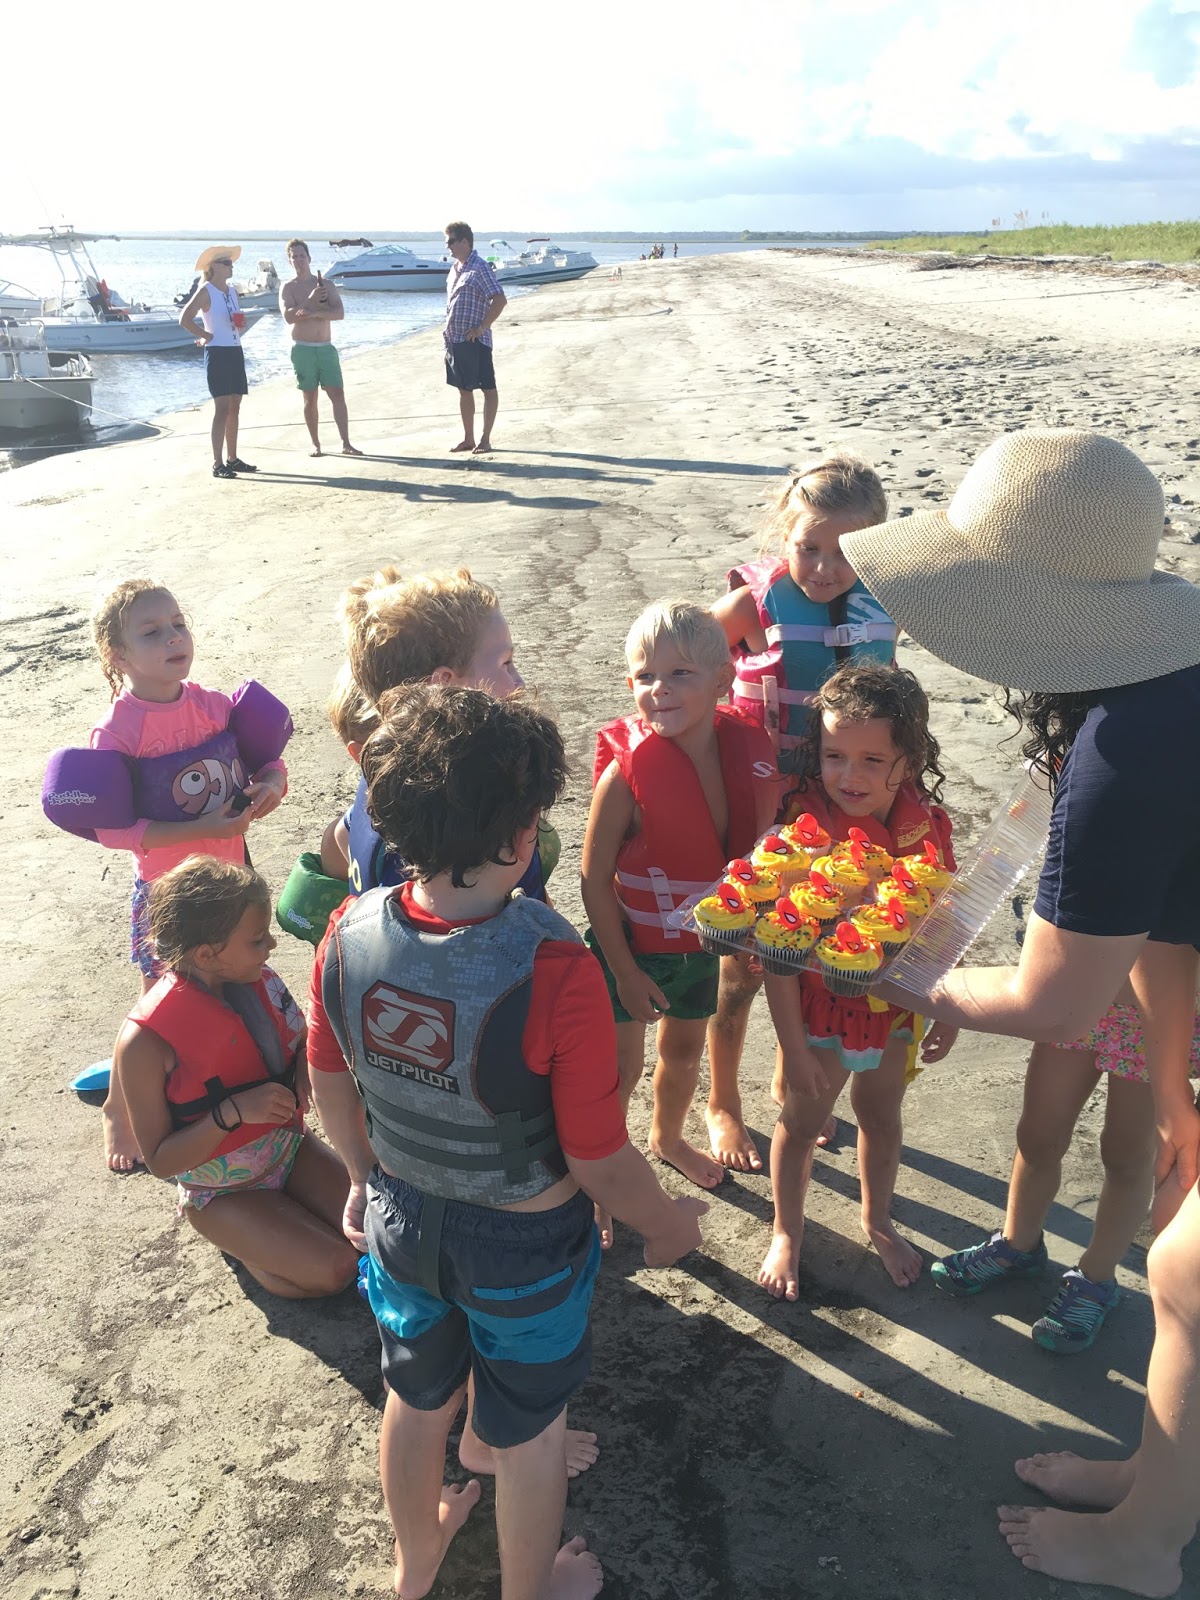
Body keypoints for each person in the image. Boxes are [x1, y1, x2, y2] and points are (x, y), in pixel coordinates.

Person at [846, 428, 1200, 1595]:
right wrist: (1180, 1082)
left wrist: (909, 979)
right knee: (1185, 1270)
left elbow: (1058, 996)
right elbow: (1174, 919)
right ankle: (1155, 1478)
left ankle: (1147, 1544)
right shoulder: (1172, 684)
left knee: (1187, 1276)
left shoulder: (1126, 753)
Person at [309, 684, 707, 1600]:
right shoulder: (556, 964)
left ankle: (417, 1558)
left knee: (415, 1399)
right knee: (530, 1435)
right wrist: (664, 1225)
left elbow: (329, 1077)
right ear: (525, 834)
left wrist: (362, 1175)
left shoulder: (346, 931)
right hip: (524, 1246)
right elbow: (596, 1156)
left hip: (403, 1216)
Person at [706, 455, 895, 1171]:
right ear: (784, 537)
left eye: (846, 553)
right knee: (744, 967)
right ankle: (722, 1100)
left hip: (847, 805)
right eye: (809, 548)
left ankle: (792, 1074)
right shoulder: (752, 606)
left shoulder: (886, 600)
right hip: (766, 808)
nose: (823, 569)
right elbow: (684, 667)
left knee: (817, 945)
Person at [758, 662, 958, 1298]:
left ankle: (877, 1220)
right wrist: (792, 1048)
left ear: (910, 762)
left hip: (895, 1011)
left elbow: (944, 926)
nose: (850, 775)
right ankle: (786, 1230)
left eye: (873, 760)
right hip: (819, 1013)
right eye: (834, 755)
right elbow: (777, 955)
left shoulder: (928, 829)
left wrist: (947, 1008)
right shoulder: (802, 838)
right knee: (800, 1121)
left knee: (881, 1115)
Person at [581, 602, 778, 1238]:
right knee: (618, 1072)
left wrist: (751, 935)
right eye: (645, 676)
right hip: (630, 949)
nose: (659, 689)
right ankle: (600, 1178)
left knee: (685, 1052)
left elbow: (759, 862)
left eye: (680, 674)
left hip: (698, 949)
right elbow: (592, 879)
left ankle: (666, 1138)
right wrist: (622, 970)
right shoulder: (625, 775)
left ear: (723, 680)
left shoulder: (745, 752)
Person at [85, 579, 288, 1170]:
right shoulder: (117, 732)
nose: (174, 637)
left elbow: (267, 762)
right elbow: (113, 831)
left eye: (178, 624)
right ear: (118, 655)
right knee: (160, 1003)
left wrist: (270, 785)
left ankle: (223, 1083)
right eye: (152, 632)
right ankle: (121, 1109)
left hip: (230, 882)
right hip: (169, 895)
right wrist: (202, 828)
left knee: (235, 978)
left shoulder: (213, 706)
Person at [115, 856, 357, 1296]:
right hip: (221, 1190)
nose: (271, 946)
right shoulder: (145, 1042)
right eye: (258, 939)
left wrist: (304, 1070)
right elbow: (162, 1160)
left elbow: (300, 1040)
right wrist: (233, 1113)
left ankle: (273, 1229)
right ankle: (249, 1253)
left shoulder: (259, 980)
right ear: (207, 954)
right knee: (337, 1271)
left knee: (377, 1234)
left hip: (288, 1149)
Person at [930, 999, 1193, 1352]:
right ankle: (1018, 1246)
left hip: (1156, 1013)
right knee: (1038, 1137)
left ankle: (1096, 1278)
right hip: (1083, 996)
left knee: (1126, 1155)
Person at [326, 565, 555, 906]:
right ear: (445, 685)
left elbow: (342, 835)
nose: (519, 682)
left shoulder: (382, 777)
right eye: (506, 663)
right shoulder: (448, 818)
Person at [178, 245, 256, 479]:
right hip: (217, 352)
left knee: (235, 406)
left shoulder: (231, 292)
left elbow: (232, 321)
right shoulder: (206, 290)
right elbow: (184, 319)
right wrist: (206, 335)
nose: (231, 266)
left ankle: (232, 458)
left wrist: (240, 324)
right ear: (214, 266)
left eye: (231, 263)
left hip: (234, 349)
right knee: (222, 408)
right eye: (227, 263)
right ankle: (217, 463)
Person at [279, 238, 361, 458]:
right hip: (303, 349)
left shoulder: (326, 284)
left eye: (302, 256)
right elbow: (289, 317)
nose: (299, 260)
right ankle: (316, 444)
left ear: (309, 258)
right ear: (289, 261)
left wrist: (314, 312)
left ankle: (346, 443)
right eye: (294, 256)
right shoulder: (288, 287)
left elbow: (339, 313)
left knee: (337, 394)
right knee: (310, 398)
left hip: (325, 347)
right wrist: (310, 300)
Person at [443, 221, 506, 455]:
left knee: (487, 388)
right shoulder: (455, 269)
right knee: (463, 389)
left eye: (451, 241)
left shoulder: (479, 267)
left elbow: (499, 299)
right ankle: (468, 438)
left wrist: (481, 328)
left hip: (475, 341)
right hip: (455, 340)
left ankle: (485, 439)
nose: (448, 247)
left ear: (465, 242)